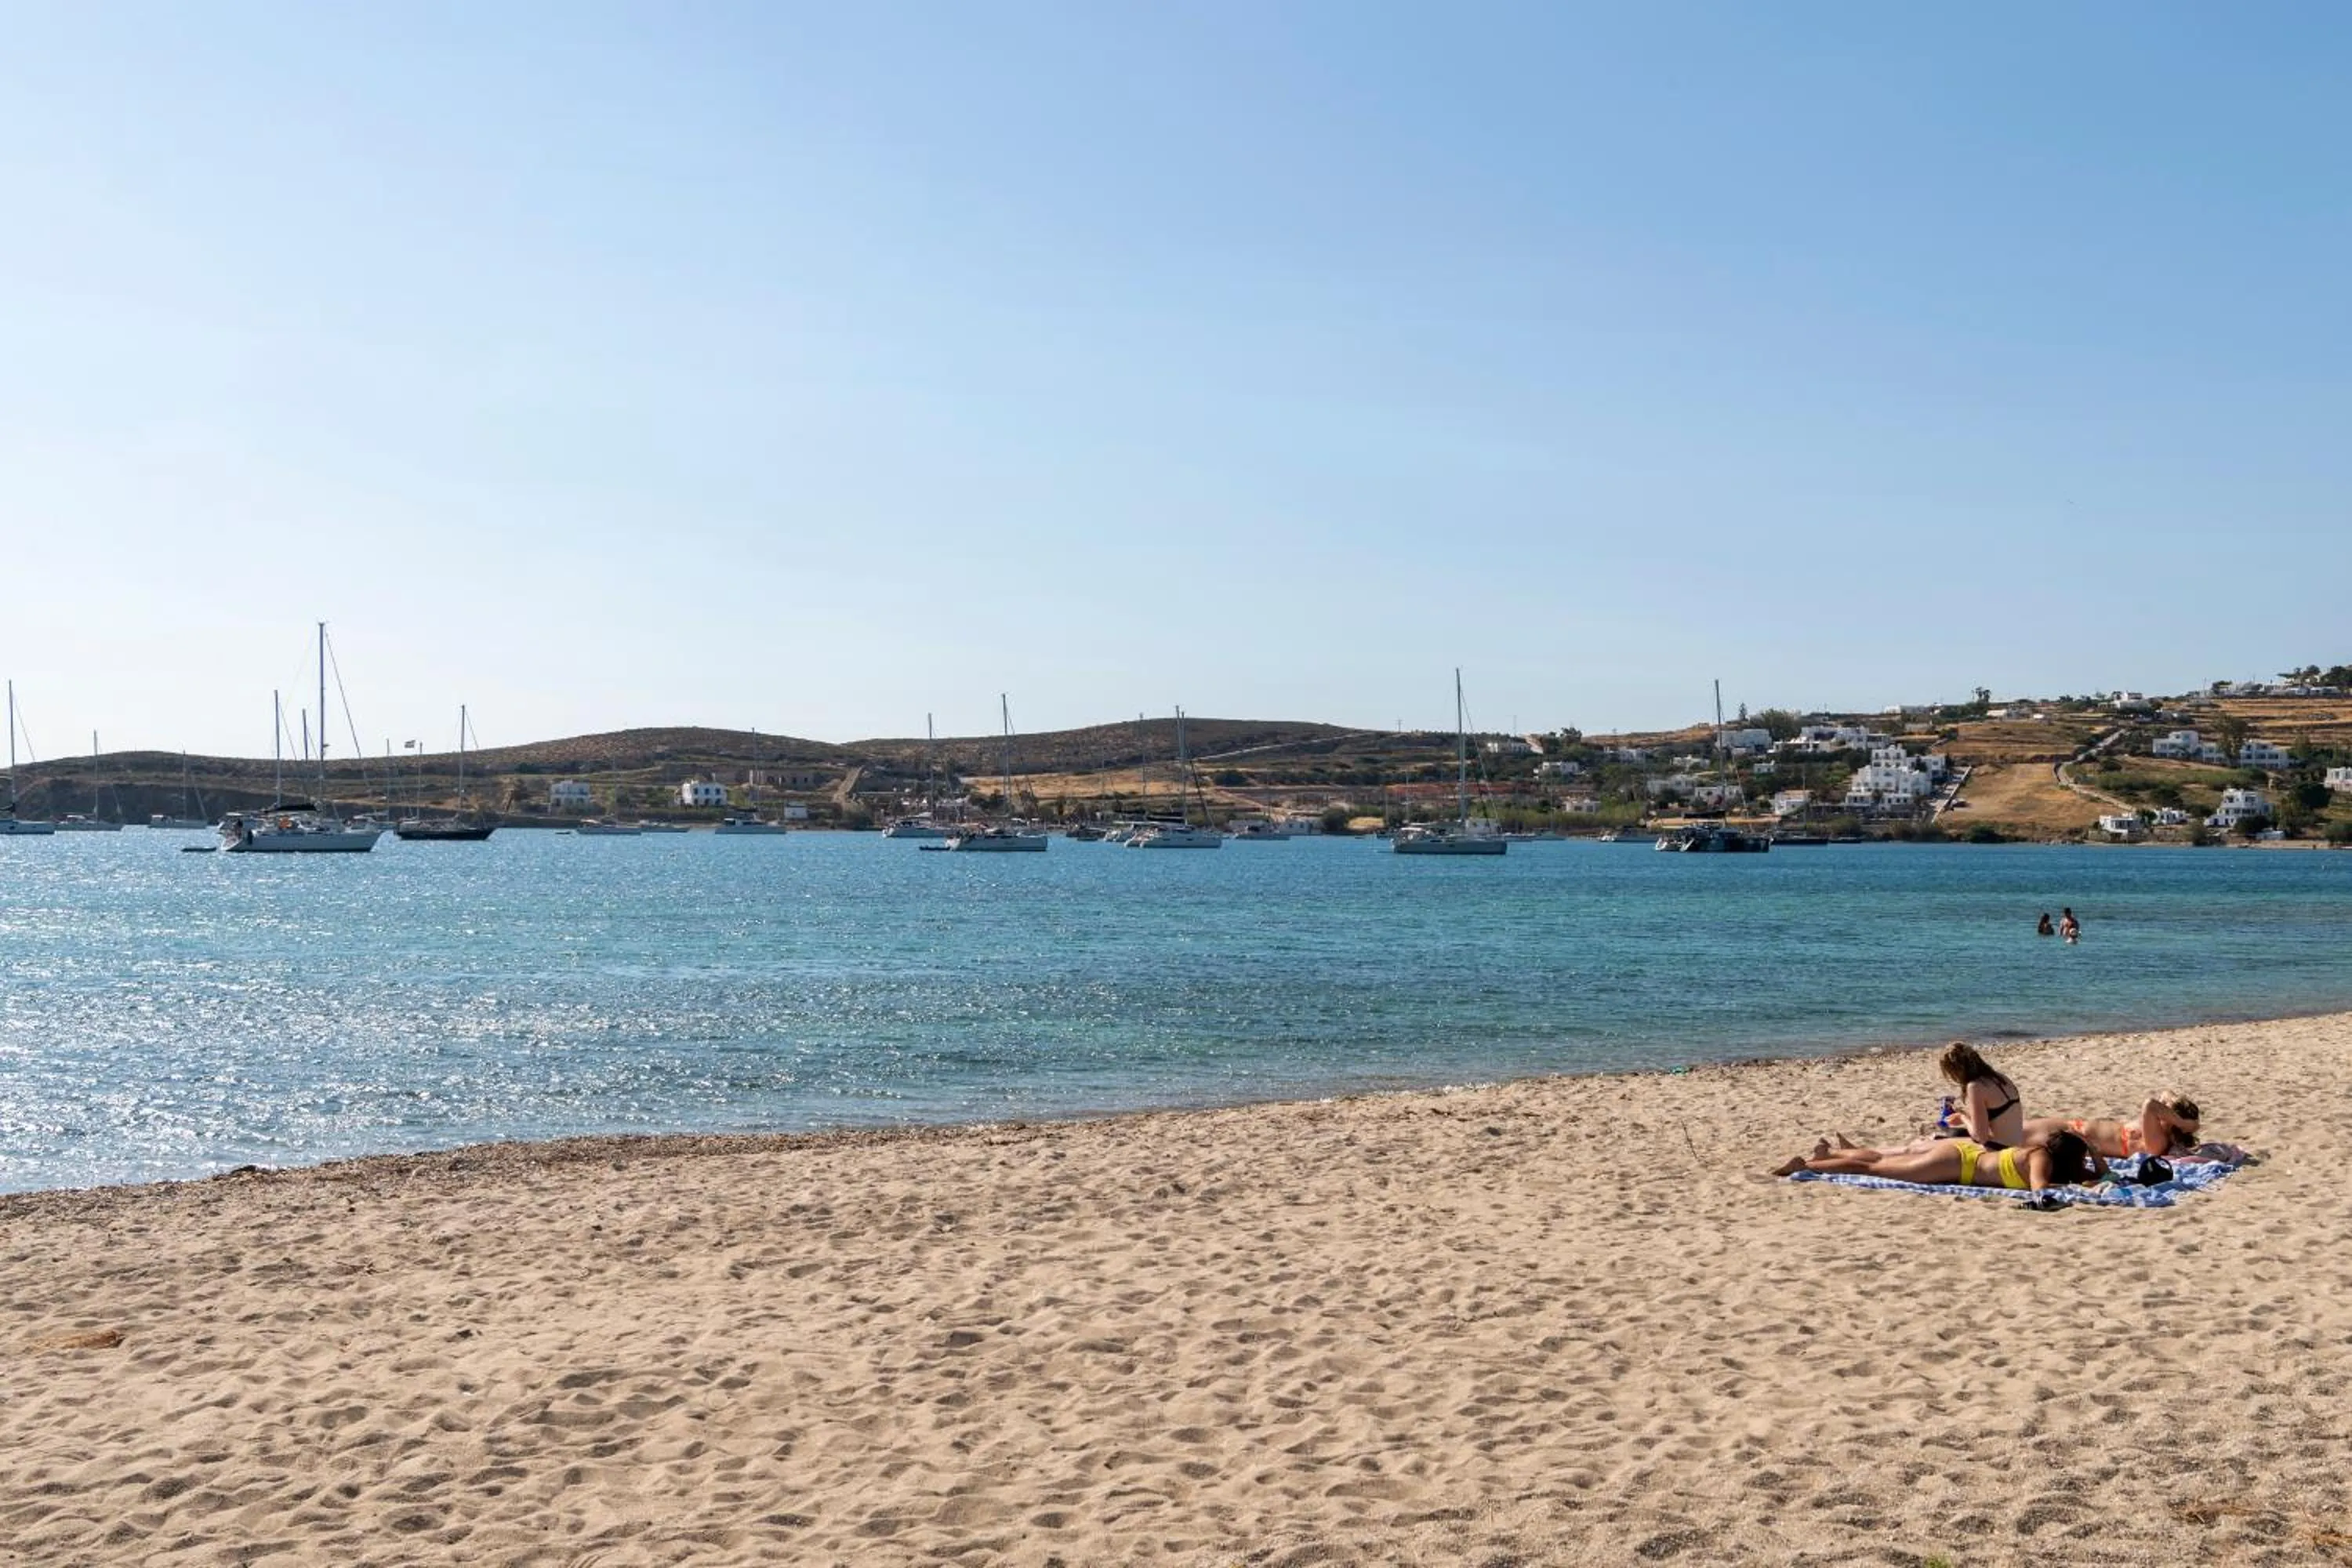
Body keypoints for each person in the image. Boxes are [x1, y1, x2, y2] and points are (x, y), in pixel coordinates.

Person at [1773, 1128, 2096, 1196]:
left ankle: (1831, 1154)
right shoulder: (2041, 1159)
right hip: (1957, 1166)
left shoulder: (2040, 1152)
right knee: (1876, 1169)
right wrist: (2080, 1188)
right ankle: (1808, 1166)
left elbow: (2099, 1173)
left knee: (1885, 1158)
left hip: (1964, 1153)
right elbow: (2040, 1189)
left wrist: (2093, 1157)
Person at [2025, 1095, 2202, 1162]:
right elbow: (2166, 1093)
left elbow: (2149, 1104)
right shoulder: (2156, 1127)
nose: (2163, 1105)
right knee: (2017, 1130)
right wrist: (2188, 1122)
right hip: (2072, 1126)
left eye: (2167, 1109)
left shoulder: (2159, 1142)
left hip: (2072, 1137)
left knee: (2014, 1138)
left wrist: (2183, 1123)